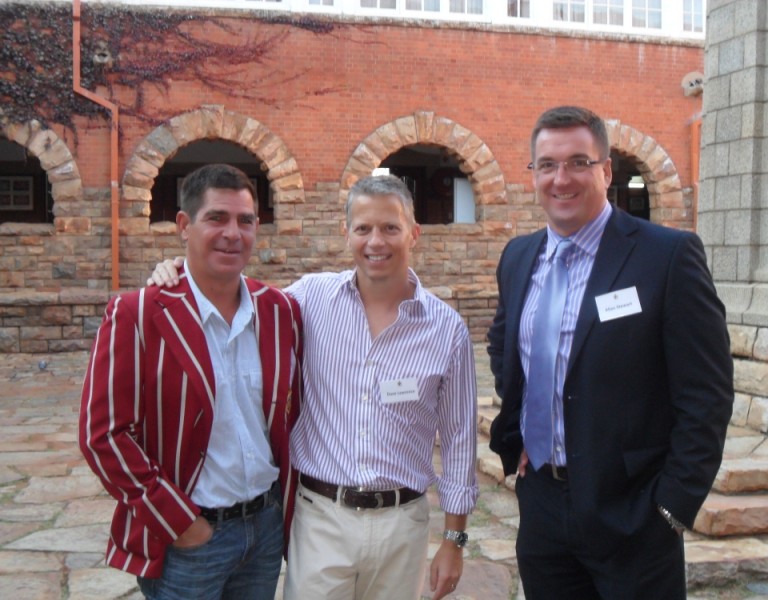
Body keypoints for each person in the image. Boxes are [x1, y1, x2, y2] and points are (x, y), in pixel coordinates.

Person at [150, 174, 479, 600]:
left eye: (390, 228)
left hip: (403, 524)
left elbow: (459, 438)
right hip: (321, 520)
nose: (375, 241)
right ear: (346, 234)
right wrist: (179, 270)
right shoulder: (308, 301)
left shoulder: (447, 330)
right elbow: (236, 297)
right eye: (363, 228)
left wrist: (454, 541)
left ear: (413, 233)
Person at [487, 105, 734, 599]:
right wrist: (525, 426)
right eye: (548, 165)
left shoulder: (666, 256)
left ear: (605, 169)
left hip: (633, 513)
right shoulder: (518, 256)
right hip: (542, 506)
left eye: (578, 162)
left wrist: (672, 506)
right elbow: (503, 343)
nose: (561, 179)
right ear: (533, 174)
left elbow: (706, 393)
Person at [79, 164, 303, 600]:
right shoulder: (139, 314)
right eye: (216, 218)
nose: (232, 233)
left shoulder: (280, 310)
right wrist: (177, 522)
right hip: (190, 539)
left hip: (264, 530)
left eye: (245, 221)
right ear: (184, 225)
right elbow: (102, 435)